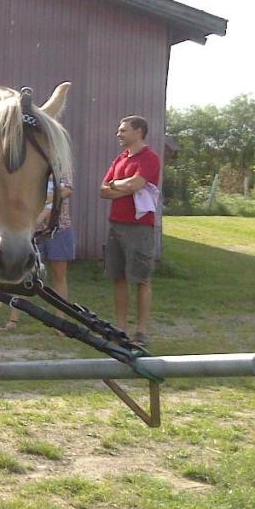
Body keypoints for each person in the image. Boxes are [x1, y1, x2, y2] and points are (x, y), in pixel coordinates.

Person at [100, 115, 162, 348]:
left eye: (123, 130)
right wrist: (122, 186)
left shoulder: (150, 158)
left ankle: (142, 331)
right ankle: (121, 327)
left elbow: (136, 185)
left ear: (139, 132)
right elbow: (102, 190)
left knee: (141, 279)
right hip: (116, 224)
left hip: (139, 227)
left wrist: (118, 185)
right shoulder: (120, 158)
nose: (119, 134)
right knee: (118, 277)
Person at [3, 176, 75, 331]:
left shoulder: (61, 165)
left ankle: (61, 321)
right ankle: (13, 319)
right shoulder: (32, 164)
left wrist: (45, 198)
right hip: (33, 231)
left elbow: (67, 190)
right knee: (23, 274)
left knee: (59, 276)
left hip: (58, 229)